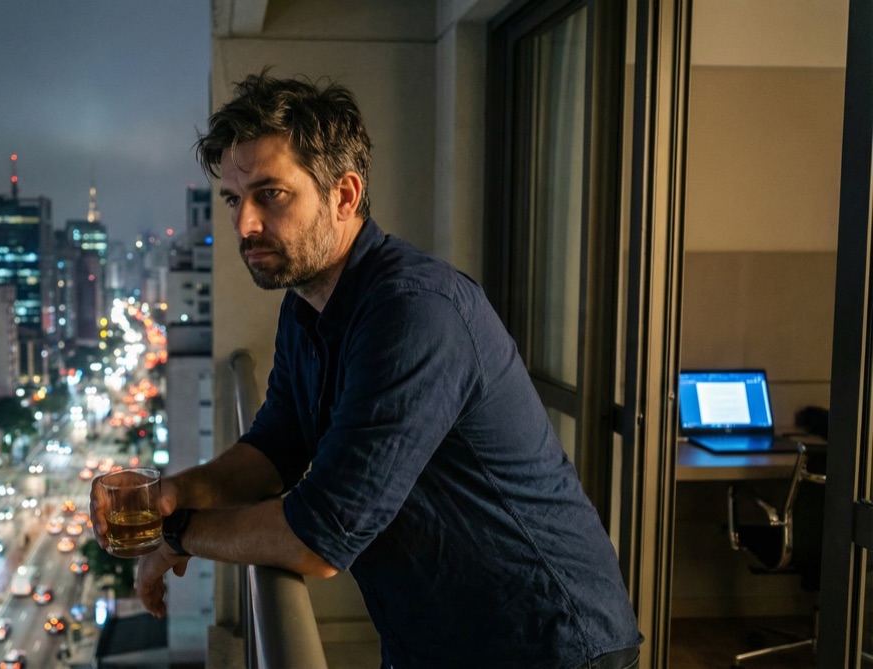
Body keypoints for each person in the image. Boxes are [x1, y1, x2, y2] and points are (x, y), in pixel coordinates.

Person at [92, 71, 643, 669]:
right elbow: (275, 447)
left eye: (270, 195)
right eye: (233, 199)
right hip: (432, 640)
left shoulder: (414, 312)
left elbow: (320, 536)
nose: (244, 224)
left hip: (547, 644)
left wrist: (179, 534)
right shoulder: (305, 306)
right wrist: (176, 494)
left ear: (345, 196)